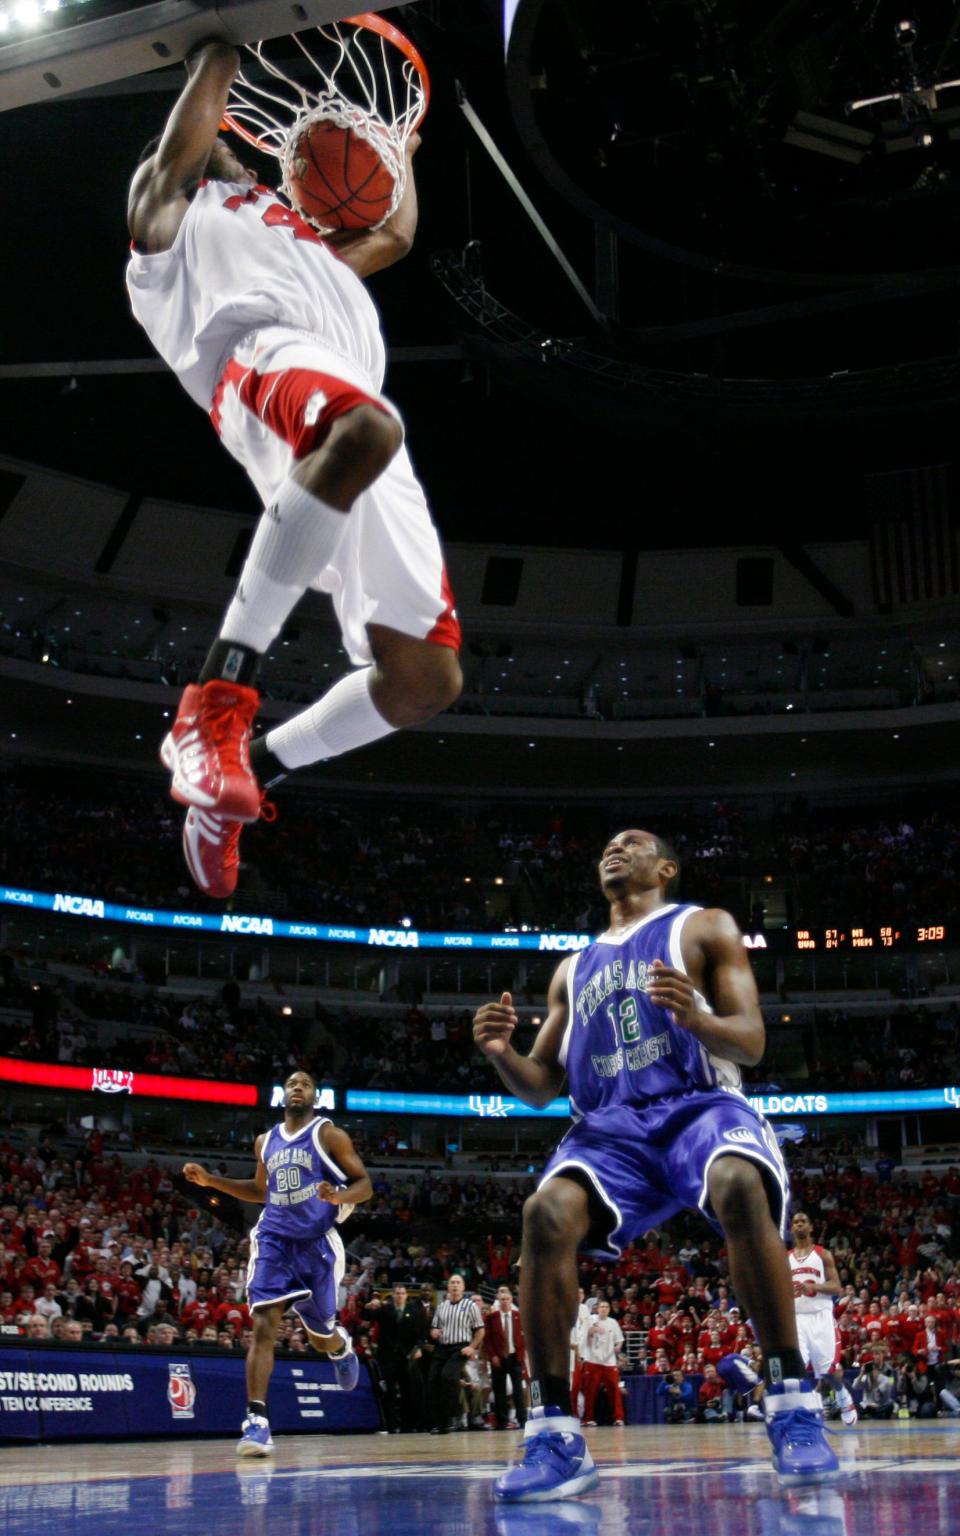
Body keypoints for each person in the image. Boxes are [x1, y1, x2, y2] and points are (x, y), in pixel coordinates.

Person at [126, 39, 462, 899]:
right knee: (362, 426)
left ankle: (246, 781)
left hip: (354, 410)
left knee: (426, 679)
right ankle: (215, 701)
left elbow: (395, 232)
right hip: (262, 363)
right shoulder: (175, 219)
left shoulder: (308, 239)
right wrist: (222, 46)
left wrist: (400, 155)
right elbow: (178, 153)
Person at [473, 828, 837, 1501]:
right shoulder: (572, 967)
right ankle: (554, 1431)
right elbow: (542, 1085)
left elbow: (753, 1041)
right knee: (543, 1213)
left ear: (665, 866)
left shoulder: (702, 927)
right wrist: (501, 1052)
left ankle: (793, 1402)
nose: (614, 848)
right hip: (611, 1130)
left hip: (697, 1106)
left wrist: (699, 1020)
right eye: (607, 844)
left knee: (736, 1181)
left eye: (633, 843)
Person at [183, 1067, 371, 1455]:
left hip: (316, 1244)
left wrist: (338, 1196)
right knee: (264, 1324)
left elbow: (365, 1184)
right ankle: (256, 1422)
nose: (297, 1088)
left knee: (320, 1337)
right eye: (291, 1084)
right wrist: (211, 1182)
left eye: (305, 1084)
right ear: (282, 1095)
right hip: (274, 1240)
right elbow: (260, 1191)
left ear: (314, 1097)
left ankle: (339, 1348)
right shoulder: (264, 1141)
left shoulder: (328, 1135)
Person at [788, 1211, 858, 1426]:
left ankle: (842, 1394)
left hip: (821, 1316)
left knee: (828, 1371)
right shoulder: (785, 1258)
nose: (799, 1225)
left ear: (810, 1227)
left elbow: (836, 1287)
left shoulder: (823, 1254)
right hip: (797, 1317)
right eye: (796, 1222)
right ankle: (804, 1410)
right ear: (791, 1229)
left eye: (803, 1221)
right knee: (796, 1367)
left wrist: (812, 1286)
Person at [364, 1282, 429, 1432]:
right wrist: (368, 1306)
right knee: (390, 1391)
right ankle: (391, 1425)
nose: (400, 1295)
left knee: (408, 1391)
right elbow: (366, 1316)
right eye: (397, 1293)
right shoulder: (385, 1309)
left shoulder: (414, 1310)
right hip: (387, 1356)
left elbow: (421, 1333)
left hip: (406, 1357)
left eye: (402, 1293)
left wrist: (418, 1348)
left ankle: (407, 1425)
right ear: (393, 1295)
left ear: (406, 1295)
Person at [427, 1274, 484, 1434]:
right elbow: (434, 1329)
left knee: (448, 1376)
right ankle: (441, 1423)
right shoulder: (441, 1306)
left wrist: (472, 1347)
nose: (455, 1285)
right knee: (432, 1381)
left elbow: (480, 1330)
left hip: (460, 1347)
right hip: (442, 1347)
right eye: (452, 1282)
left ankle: (454, 1415)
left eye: (458, 1282)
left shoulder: (470, 1305)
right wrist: (434, 1332)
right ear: (448, 1287)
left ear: (463, 1287)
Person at [484, 1284, 528, 1430]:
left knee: (518, 1391)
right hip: (498, 1358)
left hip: (515, 1357)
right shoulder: (491, 1317)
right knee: (499, 1392)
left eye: (507, 1299)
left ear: (511, 1300)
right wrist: (493, 1356)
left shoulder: (519, 1316)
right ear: (498, 1300)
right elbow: (488, 1340)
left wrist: (522, 1355)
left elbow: (524, 1338)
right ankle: (502, 1421)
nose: (504, 1301)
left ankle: (522, 1420)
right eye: (502, 1299)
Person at [578, 1299, 625, 1427]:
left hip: (609, 1361)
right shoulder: (590, 1319)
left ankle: (618, 1417)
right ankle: (588, 1418)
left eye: (606, 1307)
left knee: (614, 1389)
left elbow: (620, 1339)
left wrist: (618, 1347)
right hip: (592, 1359)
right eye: (601, 1307)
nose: (604, 1309)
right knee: (590, 1390)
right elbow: (581, 1336)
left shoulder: (613, 1322)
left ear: (609, 1309)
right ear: (597, 1308)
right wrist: (589, 1331)